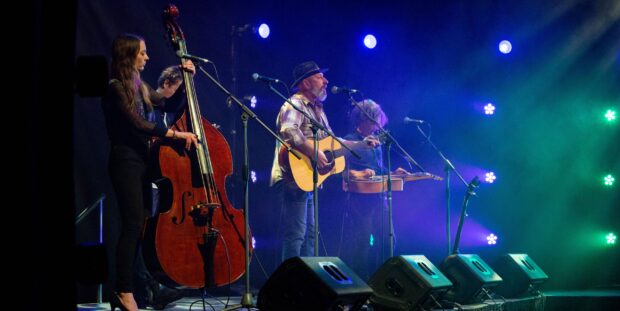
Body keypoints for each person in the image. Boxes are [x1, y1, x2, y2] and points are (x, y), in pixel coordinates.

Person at [101, 33, 197, 311]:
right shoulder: (115, 87)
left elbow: (168, 105)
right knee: (131, 227)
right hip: (125, 162)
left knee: (141, 228)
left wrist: (186, 80)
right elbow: (137, 124)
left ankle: (127, 289)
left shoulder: (140, 86)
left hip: (142, 163)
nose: (147, 57)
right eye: (142, 53)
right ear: (129, 55)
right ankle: (123, 290)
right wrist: (175, 135)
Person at [269, 61, 379, 262]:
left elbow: (333, 142)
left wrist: (361, 145)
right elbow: (289, 131)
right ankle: (288, 286)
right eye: (319, 77)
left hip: (308, 180)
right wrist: (314, 151)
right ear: (305, 83)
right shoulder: (294, 104)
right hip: (291, 178)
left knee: (311, 235)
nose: (326, 81)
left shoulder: (318, 110)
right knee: (296, 235)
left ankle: (308, 284)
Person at [340, 99, 409, 281]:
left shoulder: (376, 143)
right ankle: (359, 283)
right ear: (364, 119)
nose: (377, 125)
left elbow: (378, 170)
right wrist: (360, 173)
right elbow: (341, 172)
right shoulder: (351, 141)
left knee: (389, 238)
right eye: (374, 121)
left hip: (379, 197)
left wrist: (393, 173)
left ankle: (383, 281)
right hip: (359, 200)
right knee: (361, 243)